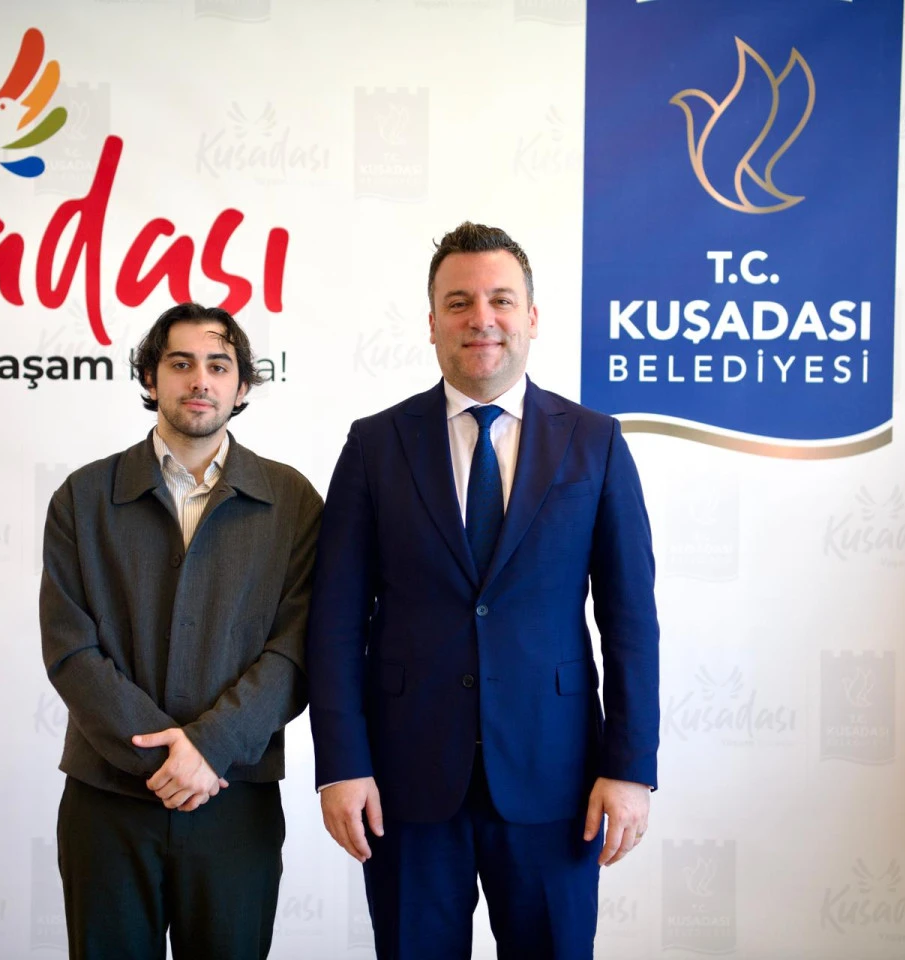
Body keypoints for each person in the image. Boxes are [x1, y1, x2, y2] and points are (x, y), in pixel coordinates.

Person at [307, 222, 660, 960]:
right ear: (432, 321)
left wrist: (630, 768)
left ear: (531, 316)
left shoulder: (595, 441)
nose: (482, 318)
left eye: (501, 299)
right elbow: (335, 622)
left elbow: (630, 621)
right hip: (404, 784)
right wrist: (341, 762)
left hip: (556, 780)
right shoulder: (374, 444)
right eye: (459, 302)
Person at [41, 302, 322, 960]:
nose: (201, 380)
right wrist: (169, 761)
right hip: (107, 801)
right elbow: (70, 648)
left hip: (236, 800)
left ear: (243, 386)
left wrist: (210, 749)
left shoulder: (293, 503)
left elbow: (297, 648)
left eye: (219, 366)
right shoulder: (83, 497)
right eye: (181, 363)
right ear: (150, 377)